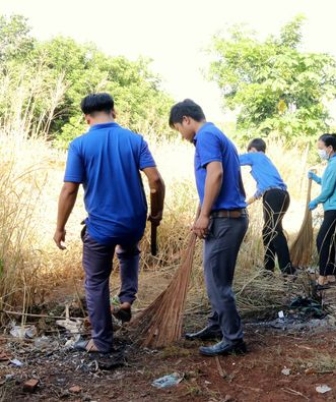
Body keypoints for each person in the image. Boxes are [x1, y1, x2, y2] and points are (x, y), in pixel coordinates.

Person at [54, 93, 165, 353]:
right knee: (128, 250)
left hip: (101, 227)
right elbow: (156, 181)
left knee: (95, 280)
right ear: (113, 111)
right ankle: (127, 299)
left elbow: (69, 190)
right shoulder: (134, 140)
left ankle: (102, 341)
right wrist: (156, 212)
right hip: (133, 222)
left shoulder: (80, 145)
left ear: (86, 118)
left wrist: (60, 227)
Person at [169, 99, 249, 357]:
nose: (181, 136)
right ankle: (217, 325)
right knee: (217, 278)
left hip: (225, 218)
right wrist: (202, 214)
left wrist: (205, 215)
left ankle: (233, 339)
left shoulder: (205, 136)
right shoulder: (215, 135)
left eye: (178, 129)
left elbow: (216, 174)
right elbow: (220, 182)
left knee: (217, 281)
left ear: (186, 120)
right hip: (225, 217)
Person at [239, 138, 293, 275]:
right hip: (282, 195)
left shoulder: (256, 156)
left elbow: (235, 159)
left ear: (253, 150)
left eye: (249, 151)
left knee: (274, 231)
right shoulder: (265, 163)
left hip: (273, 195)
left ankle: (288, 270)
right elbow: (260, 191)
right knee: (268, 231)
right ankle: (268, 269)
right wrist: (245, 204)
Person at [307, 133, 336, 289]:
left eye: (321, 148)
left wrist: (315, 201)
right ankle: (331, 274)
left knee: (322, 240)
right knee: (330, 239)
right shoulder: (334, 162)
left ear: (330, 148)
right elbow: (327, 183)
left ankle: (323, 277)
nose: (320, 151)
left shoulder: (335, 165)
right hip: (335, 208)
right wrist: (316, 178)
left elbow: (328, 191)